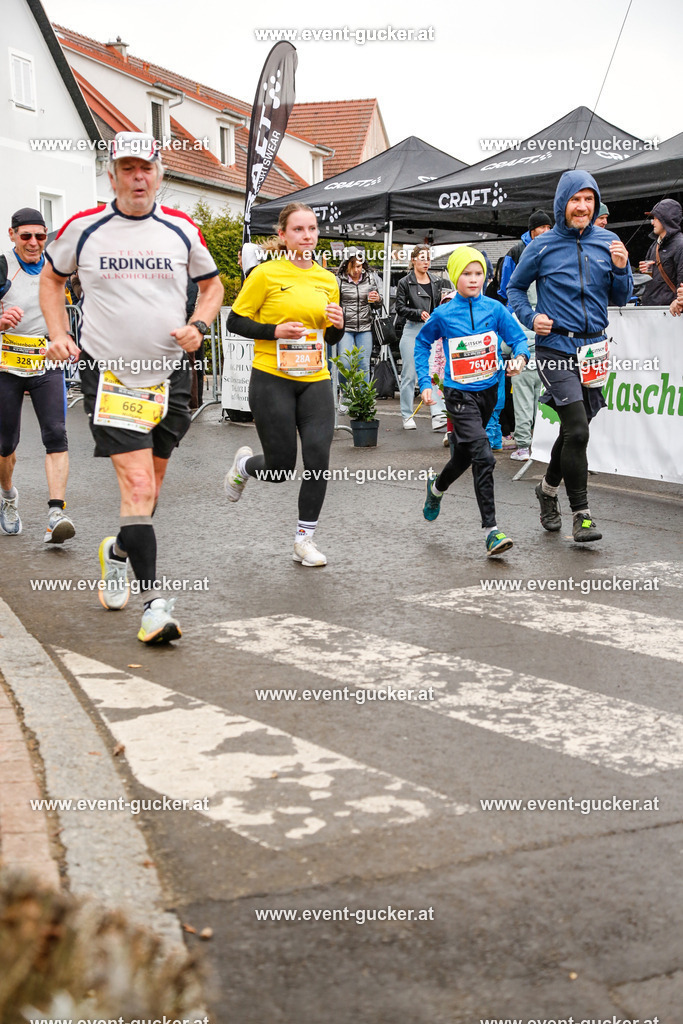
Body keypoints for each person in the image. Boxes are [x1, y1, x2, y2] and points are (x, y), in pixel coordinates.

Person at [40, 132, 223, 643]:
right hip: (113, 374)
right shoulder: (83, 228)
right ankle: (155, 607)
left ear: (160, 173)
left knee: (150, 493)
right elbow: (52, 279)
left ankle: (118, 552)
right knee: (138, 488)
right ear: (112, 175)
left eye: (146, 168)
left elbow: (212, 285)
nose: (137, 177)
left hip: (173, 375)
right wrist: (58, 333)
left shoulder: (182, 229)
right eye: (127, 168)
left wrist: (200, 325)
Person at [508, 170, 632, 543]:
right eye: (575, 200)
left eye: (588, 200)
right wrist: (532, 318)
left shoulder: (609, 241)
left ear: (595, 203)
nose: (582, 207)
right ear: (563, 203)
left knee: (574, 430)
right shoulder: (542, 246)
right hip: (556, 348)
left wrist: (623, 269)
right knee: (577, 428)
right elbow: (515, 288)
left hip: (594, 348)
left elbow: (622, 297)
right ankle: (583, 514)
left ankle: (546, 490)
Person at [224, 202, 344, 568]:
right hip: (272, 378)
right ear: (282, 235)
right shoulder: (264, 274)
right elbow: (235, 322)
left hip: (315, 379)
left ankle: (304, 541)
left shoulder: (328, 279)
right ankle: (244, 467)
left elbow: (332, 338)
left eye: (311, 229)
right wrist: (274, 331)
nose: (306, 236)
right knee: (279, 468)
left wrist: (337, 324)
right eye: (298, 230)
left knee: (319, 460)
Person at [416, 247, 530, 557]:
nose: (474, 279)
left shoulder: (494, 309)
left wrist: (520, 356)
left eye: (479, 273)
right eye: (467, 273)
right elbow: (422, 343)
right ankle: (492, 531)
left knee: (465, 456)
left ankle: (436, 488)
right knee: (485, 456)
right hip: (458, 394)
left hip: (488, 393)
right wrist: (426, 383)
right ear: (455, 276)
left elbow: (518, 338)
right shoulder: (444, 314)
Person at [0, 207, 74, 542]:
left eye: (40, 236)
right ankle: (8, 497)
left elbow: (63, 311)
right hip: (6, 364)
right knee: (5, 444)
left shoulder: (55, 269)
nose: (33, 242)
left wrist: (66, 338)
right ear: (12, 234)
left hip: (46, 362)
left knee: (56, 434)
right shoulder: (3, 267)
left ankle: (56, 513)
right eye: (26, 235)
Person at [498, 210, 553, 461]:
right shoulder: (518, 254)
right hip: (546, 350)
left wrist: (505, 350)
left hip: (524, 352)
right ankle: (540, 443)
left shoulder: (518, 309)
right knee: (541, 402)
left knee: (523, 402)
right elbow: (507, 290)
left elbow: (508, 292)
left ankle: (524, 445)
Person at [395, 245, 448, 431]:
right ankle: (406, 414)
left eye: (428, 258)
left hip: (431, 329)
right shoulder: (404, 282)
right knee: (409, 373)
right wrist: (419, 313)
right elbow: (399, 308)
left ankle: (438, 414)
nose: (426, 261)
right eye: (423, 257)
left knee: (433, 372)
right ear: (414, 259)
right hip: (412, 328)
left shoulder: (436, 281)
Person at [335, 247, 382, 402]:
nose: (357, 269)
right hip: (345, 327)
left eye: (360, 266)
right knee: (345, 364)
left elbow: (377, 306)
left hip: (365, 327)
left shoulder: (370, 279)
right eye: (354, 266)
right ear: (347, 265)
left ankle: (363, 400)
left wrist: (377, 300)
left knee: (363, 364)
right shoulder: (339, 280)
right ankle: (345, 394)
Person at [638, 199, 683, 307]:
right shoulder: (655, 244)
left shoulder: (680, 245)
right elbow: (652, 278)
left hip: (671, 312)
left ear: (666, 220)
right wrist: (646, 272)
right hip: (651, 309)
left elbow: (682, 281)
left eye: (655, 218)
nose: (652, 222)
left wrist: (678, 302)